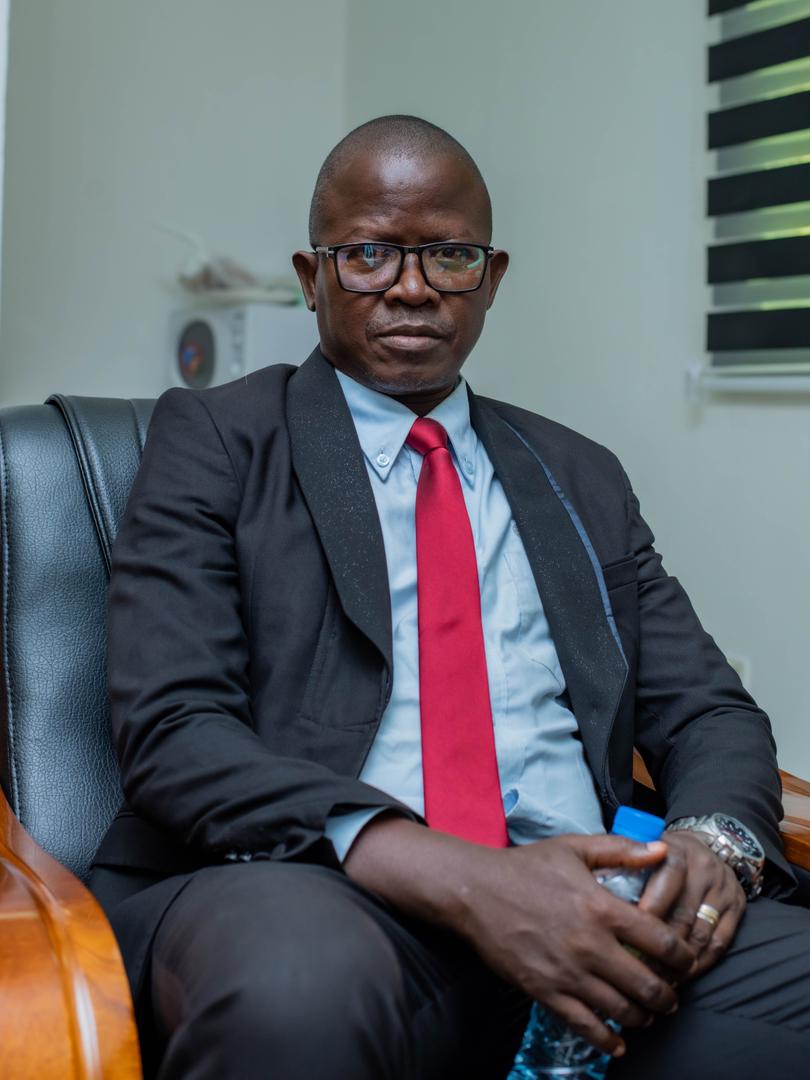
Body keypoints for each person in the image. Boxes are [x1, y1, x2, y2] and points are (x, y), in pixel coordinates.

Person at [90, 115, 810, 1080]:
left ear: (492, 276)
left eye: (450, 254)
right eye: (369, 255)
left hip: (588, 901)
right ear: (311, 277)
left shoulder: (578, 474)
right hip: (316, 885)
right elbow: (176, 729)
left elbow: (710, 712)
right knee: (298, 995)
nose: (413, 286)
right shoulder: (217, 440)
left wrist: (707, 847)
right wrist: (466, 878)